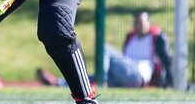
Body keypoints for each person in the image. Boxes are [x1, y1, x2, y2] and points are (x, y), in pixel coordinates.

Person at [36, 11, 172, 88]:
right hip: (122, 74)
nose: (138, 26)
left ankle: (102, 81)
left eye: (141, 23)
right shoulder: (131, 37)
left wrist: (168, 82)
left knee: (104, 48)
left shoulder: (156, 37)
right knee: (93, 77)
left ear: (148, 23)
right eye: (136, 23)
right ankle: (58, 83)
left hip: (138, 75)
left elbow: (166, 60)